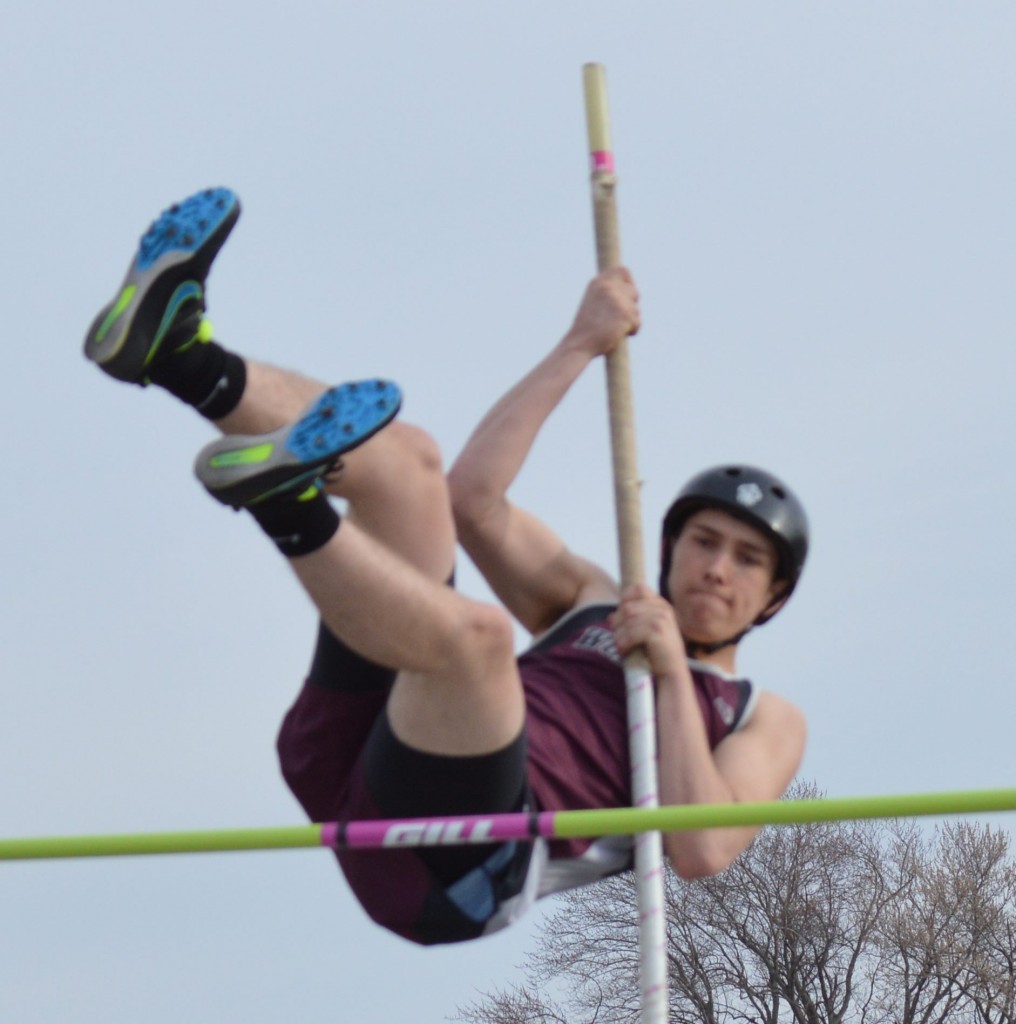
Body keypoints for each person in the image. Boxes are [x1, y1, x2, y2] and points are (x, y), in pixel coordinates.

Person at [84, 187, 808, 946]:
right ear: (670, 548)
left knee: (479, 642)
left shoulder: (763, 715)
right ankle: (182, 358)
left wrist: (666, 672)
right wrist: (578, 345)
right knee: (408, 463)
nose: (718, 568)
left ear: (774, 598)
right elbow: (472, 501)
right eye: (704, 541)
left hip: (454, 868)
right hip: (372, 750)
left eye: (747, 558)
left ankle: (291, 503)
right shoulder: (594, 596)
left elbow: (700, 850)